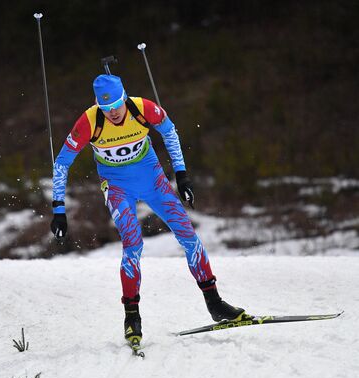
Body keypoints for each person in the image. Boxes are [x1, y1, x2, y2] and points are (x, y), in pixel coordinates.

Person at [50, 74, 246, 348]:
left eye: (117, 104)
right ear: (98, 105)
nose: (114, 112)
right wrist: (58, 208)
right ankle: (132, 317)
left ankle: (215, 303)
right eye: (106, 108)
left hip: (153, 179)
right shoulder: (89, 121)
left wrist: (182, 174)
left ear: (125, 97)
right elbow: (61, 163)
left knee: (188, 236)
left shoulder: (143, 108)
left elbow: (169, 131)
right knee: (133, 244)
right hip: (118, 187)